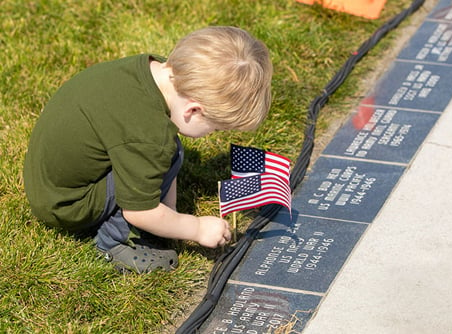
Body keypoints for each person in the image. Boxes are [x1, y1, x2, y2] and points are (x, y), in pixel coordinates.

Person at [23, 26, 273, 274]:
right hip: (66, 203)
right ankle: (114, 242)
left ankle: (163, 216)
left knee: (169, 153)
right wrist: (195, 228)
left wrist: (171, 217)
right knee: (164, 157)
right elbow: (140, 211)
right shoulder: (149, 137)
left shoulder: (154, 71)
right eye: (216, 129)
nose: (213, 135)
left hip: (46, 176)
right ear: (193, 110)